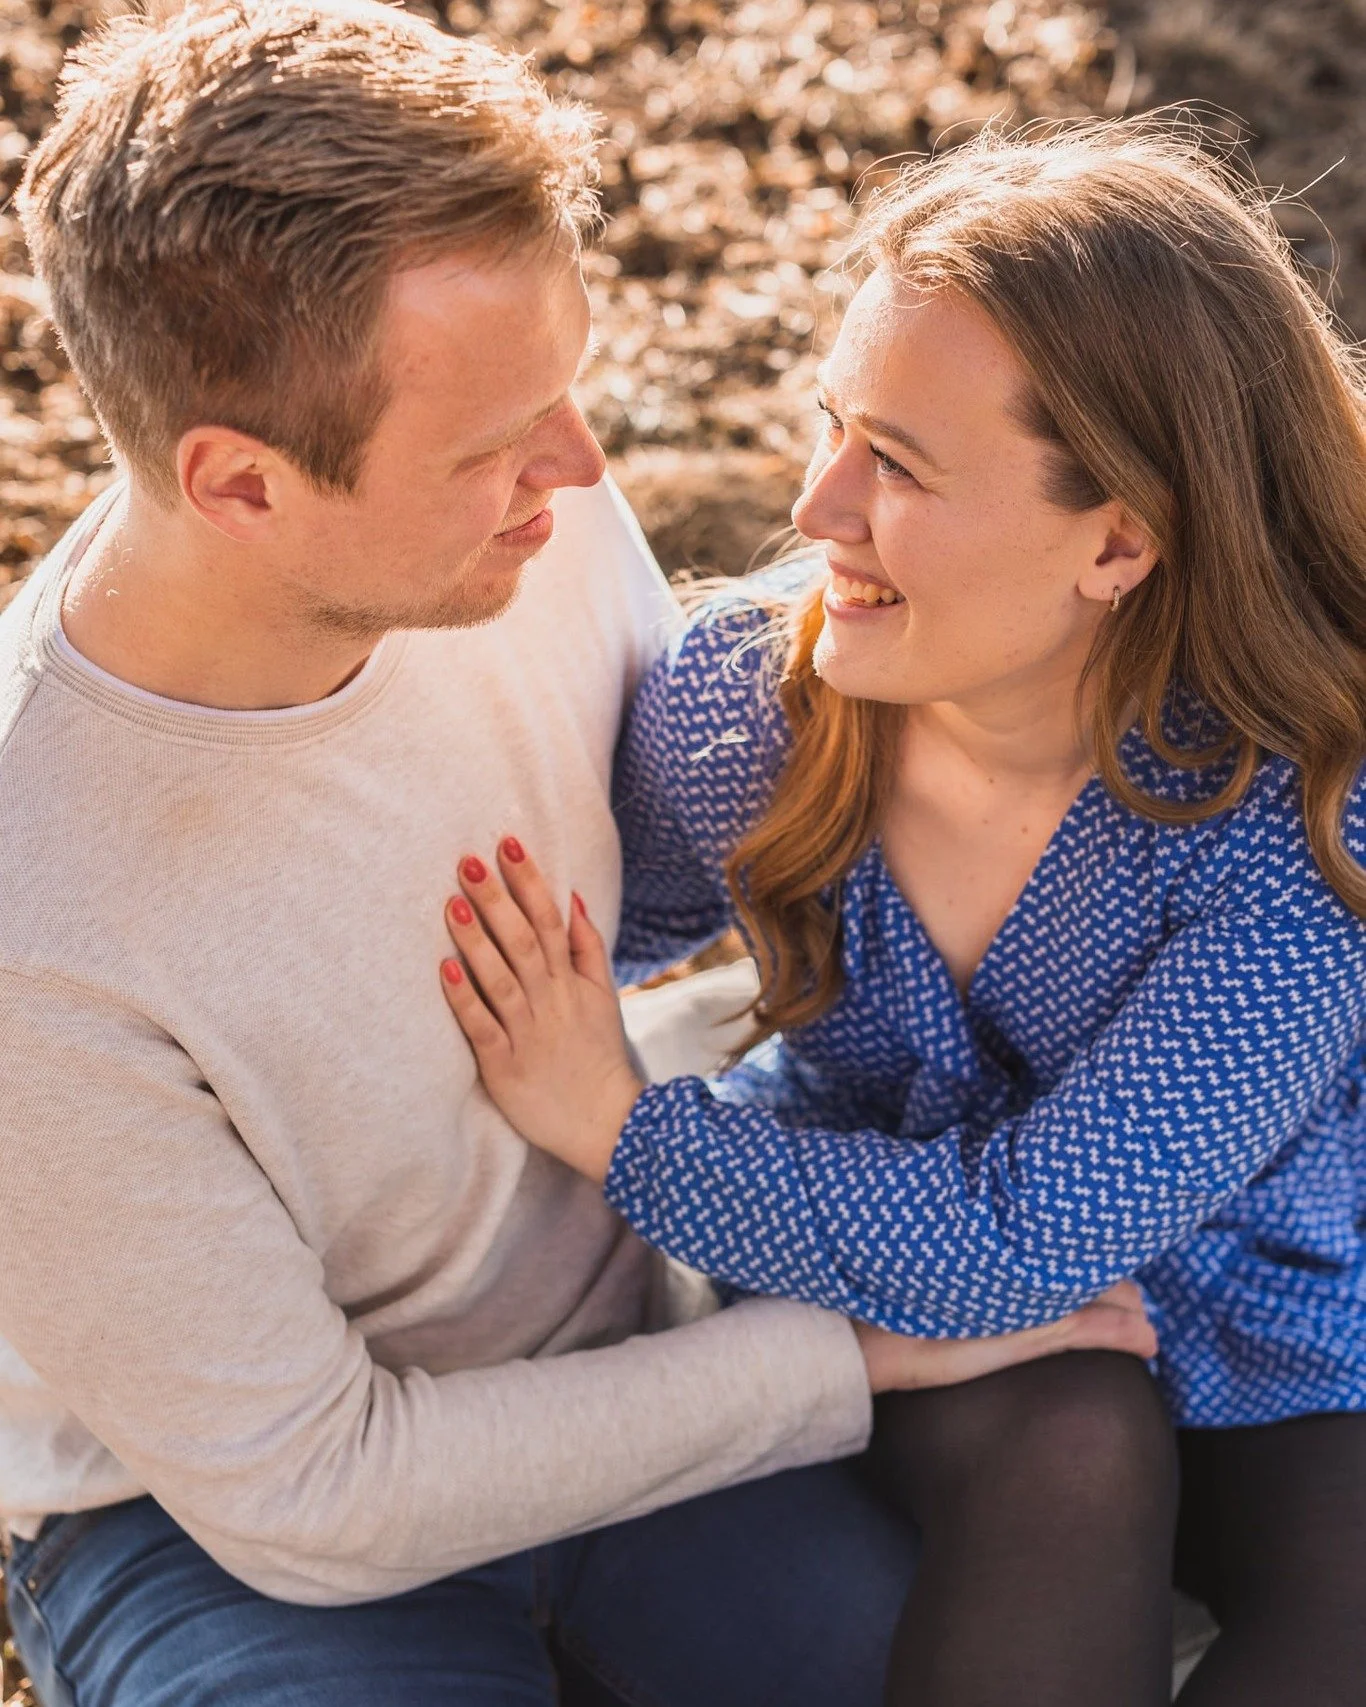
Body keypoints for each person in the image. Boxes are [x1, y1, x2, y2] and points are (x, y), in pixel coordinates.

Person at [0, 8, 1156, 1706]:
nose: (584, 471)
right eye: (492, 445)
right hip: (222, 1528)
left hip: (626, 1365)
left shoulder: (504, 523)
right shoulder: (43, 920)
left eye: (563, 391)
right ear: (240, 485)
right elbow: (319, 1492)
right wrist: (852, 1348)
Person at [439, 123, 1366, 1707]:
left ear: (1119, 538)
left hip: (1285, 1329)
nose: (815, 506)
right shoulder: (750, 713)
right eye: (833, 429)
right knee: (1076, 1438)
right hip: (886, 1290)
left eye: (901, 465)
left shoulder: (1296, 839)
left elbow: (1019, 1235)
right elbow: (595, 921)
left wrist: (623, 1128)